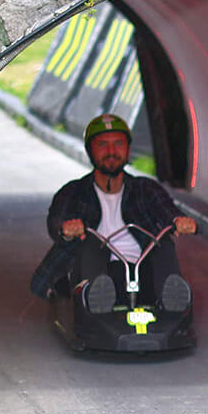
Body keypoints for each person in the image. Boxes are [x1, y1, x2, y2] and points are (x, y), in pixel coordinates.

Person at [31, 113, 197, 313]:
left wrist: (178, 220)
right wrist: (66, 229)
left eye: (118, 144)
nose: (111, 151)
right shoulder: (74, 191)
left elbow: (166, 209)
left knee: (163, 244)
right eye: (102, 144)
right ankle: (94, 299)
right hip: (98, 273)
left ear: (127, 149)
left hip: (142, 271)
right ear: (90, 150)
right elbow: (56, 221)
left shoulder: (145, 188)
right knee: (91, 242)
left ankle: (170, 300)